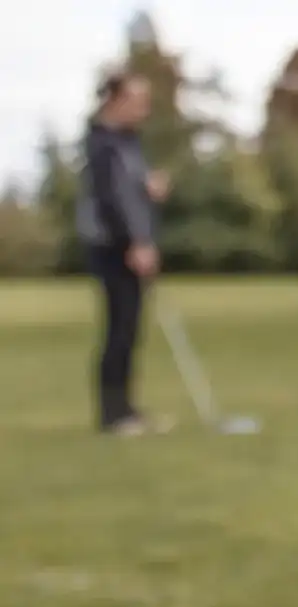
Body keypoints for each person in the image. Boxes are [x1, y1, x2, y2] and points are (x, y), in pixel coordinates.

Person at [77, 70, 170, 435]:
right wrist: (134, 243)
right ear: (116, 100)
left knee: (130, 329)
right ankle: (112, 415)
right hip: (112, 247)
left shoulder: (128, 143)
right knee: (119, 328)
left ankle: (126, 409)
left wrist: (150, 189)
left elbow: (131, 193)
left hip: (133, 244)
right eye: (138, 101)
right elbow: (110, 202)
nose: (144, 109)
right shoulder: (102, 144)